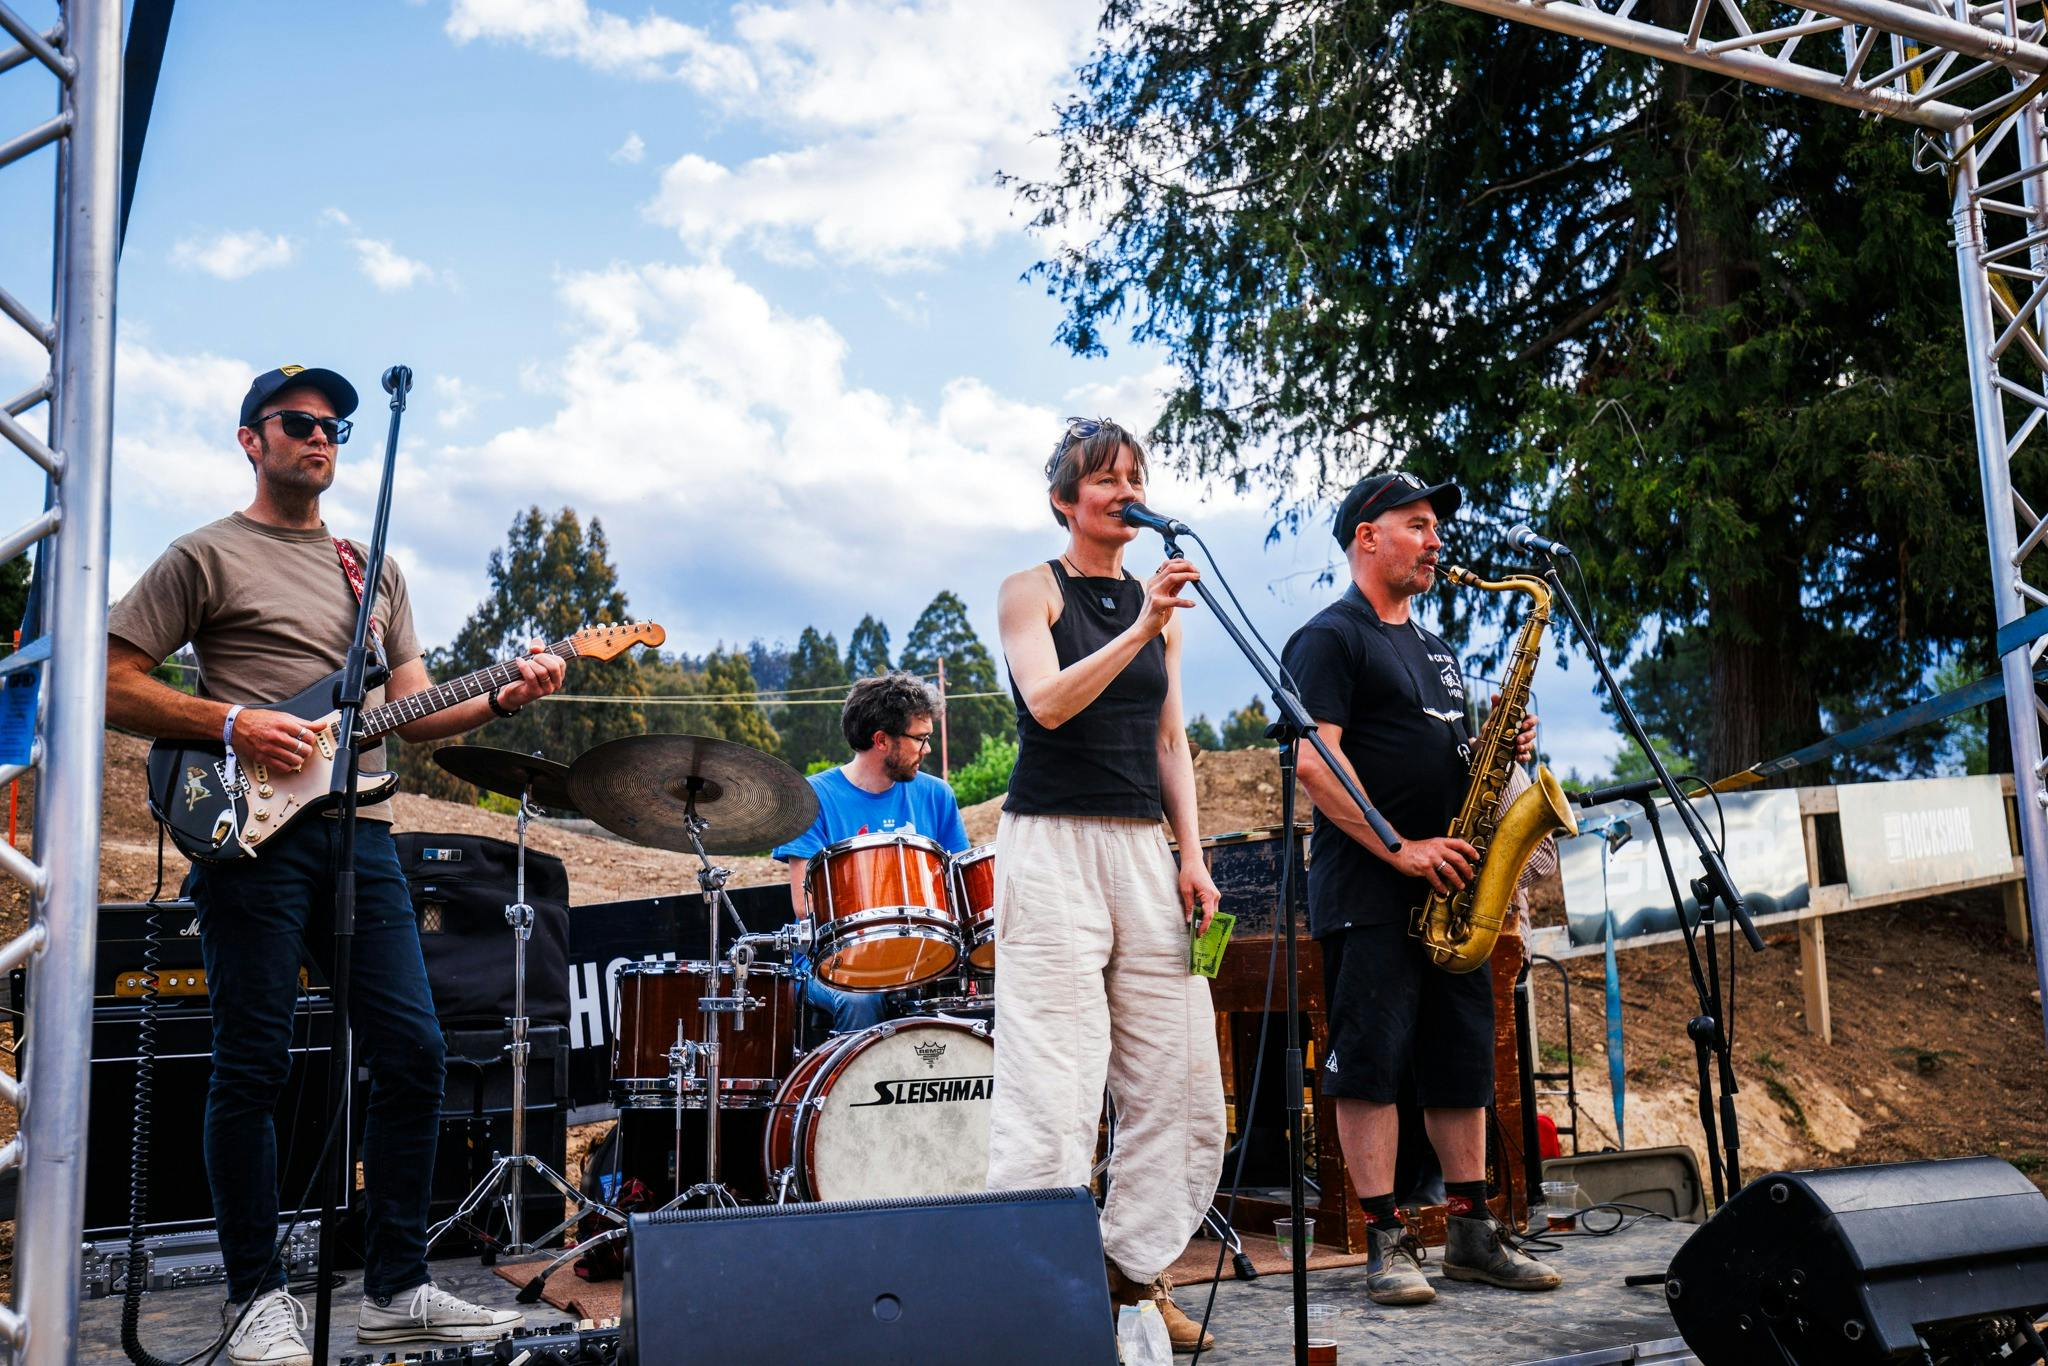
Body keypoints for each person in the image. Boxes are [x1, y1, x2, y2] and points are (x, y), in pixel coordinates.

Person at [104, 365, 564, 1365]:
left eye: (335, 427)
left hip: (361, 832)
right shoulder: (205, 554)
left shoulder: (373, 569)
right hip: (250, 837)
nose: (321, 437)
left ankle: (397, 1286)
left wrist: (502, 696)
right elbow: (111, 679)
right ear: (251, 438)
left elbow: (417, 707)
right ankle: (256, 1298)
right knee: (254, 1064)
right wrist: (233, 720)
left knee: (415, 1054)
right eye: (300, 422)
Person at [1280, 470, 1562, 1306]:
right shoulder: (1329, 638)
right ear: (1367, 536)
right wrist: (1400, 848)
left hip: (1454, 887)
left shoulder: (1435, 649)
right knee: (1369, 1065)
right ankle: (1385, 1239)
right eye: (1416, 523)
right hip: (1371, 886)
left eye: (1435, 524)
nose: (1435, 538)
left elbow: (1444, 763)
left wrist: (1503, 753)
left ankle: (1472, 1232)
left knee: (1459, 1059)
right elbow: (1313, 763)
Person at [988, 417, 1226, 1355]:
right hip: (1049, 846)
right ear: (1064, 500)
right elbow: (1046, 704)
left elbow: (1172, 742)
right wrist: (1143, 626)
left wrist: (1194, 855)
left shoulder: (1152, 604)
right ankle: (1040, 1292)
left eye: (1135, 477)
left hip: (1142, 849)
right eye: (1105, 480)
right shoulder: (1028, 590)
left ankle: (1133, 1277)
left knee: (1184, 1081)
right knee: (1054, 1081)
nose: (1124, 491)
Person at [772, 672, 972, 1035]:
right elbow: (805, 905)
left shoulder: (937, 794)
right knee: (860, 997)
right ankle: (855, 1090)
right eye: (920, 739)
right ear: (881, 740)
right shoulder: (812, 797)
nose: (927, 749)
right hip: (835, 961)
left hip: (924, 953)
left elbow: (960, 887)